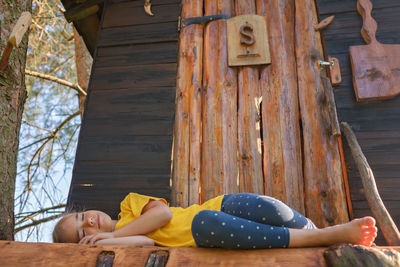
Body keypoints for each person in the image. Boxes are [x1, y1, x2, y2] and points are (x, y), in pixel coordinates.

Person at [53, 192, 377, 249]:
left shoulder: (128, 206)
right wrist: (112, 241)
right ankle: (327, 236)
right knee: (210, 222)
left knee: (270, 207)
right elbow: (148, 242)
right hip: (202, 229)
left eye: (83, 216)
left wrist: (112, 234)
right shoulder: (116, 245)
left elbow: (163, 214)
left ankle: (317, 232)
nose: (90, 223)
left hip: (214, 205)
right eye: (83, 232)